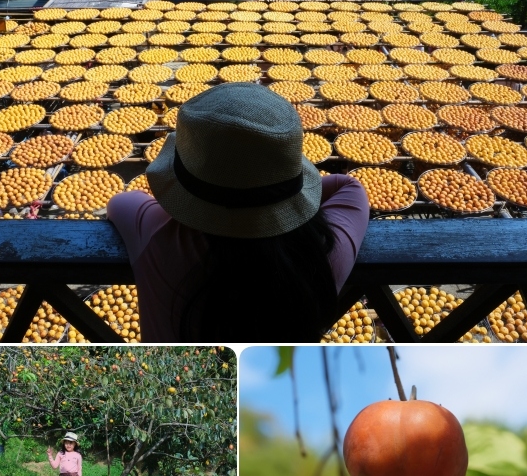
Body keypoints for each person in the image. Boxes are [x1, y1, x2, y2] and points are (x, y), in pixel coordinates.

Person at [107, 82, 369, 342]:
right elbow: (349, 186)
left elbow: (120, 203)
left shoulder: (157, 237)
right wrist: (280, 195)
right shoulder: (324, 255)